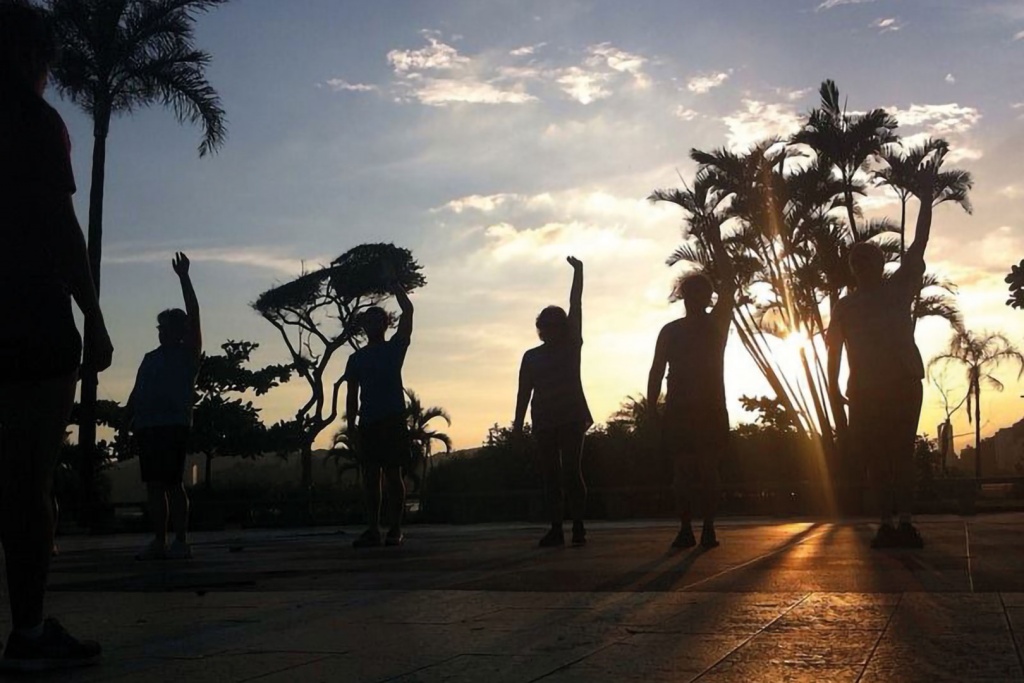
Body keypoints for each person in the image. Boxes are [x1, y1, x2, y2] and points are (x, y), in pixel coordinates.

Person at [0, 1, 112, 670]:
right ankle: (31, 630)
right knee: (28, 482)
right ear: (34, 56)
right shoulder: (40, 126)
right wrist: (92, 313)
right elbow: (63, 230)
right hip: (32, 322)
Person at [828, 169, 935, 549]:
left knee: (901, 454)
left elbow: (919, 243)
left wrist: (925, 198)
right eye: (859, 263)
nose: (865, 267)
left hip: (903, 382)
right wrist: (832, 387)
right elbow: (834, 349)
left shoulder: (897, 289)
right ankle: (887, 522)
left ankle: (904, 520)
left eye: (870, 261)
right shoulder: (846, 306)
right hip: (864, 389)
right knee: (876, 458)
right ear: (854, 268)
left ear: (879, 265)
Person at [647, 224, 735, 550]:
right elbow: (657, 369)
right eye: (692, 292)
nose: (699, 298)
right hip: (681, 408)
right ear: (684, 296)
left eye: (704, 293)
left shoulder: (717, 324)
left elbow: (729, 282)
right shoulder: (670, 331)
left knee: (709, 470)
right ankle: (685, 527)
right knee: (682, 472)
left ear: (708, 296)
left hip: (710, 406)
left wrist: (716, 242)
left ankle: (709, 527)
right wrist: (651, 404)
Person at [514, 256, 593, 548]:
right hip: (545, 418)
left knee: (572, 470)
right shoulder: (531, 356)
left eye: (553, 324)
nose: (548, 329)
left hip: (572, 415)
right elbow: (524, 392)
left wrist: (579, 273)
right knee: (550, 475)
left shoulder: (572, 346)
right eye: (544, 325)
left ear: (562, 327)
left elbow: (577, 305)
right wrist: (517, 425)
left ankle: (579, 524)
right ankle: (556, 526)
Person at [128, 253, 202, 561]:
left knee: (172, 483)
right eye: (159, 327)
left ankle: (181, 541)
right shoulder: (150, 358)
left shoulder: (188, 355)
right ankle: (159, 540)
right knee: (154, 486)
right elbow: (137, 392)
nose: (161, 331)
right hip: (148, 426)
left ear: (180, 331)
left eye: (166, 327)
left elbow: (195, 313)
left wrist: (184, 278)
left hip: (173, 424)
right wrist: (126, 419)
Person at [346, 265, 414, 548]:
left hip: (393, 420)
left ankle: (395, 529)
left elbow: (408, 312)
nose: (372, 324)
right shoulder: (356, 359)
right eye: (368, 321)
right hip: (369, 423)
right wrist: (352, 428)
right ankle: (373, 528)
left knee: (393, 474)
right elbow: (351, 396)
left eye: (378, 320)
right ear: (363, 327)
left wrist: (395, 285)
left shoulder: (395, 347)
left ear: (386, 324)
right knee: (371, 478)